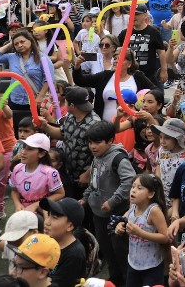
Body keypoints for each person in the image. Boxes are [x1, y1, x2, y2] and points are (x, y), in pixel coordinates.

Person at [83, 121, 134, 286]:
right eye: (90, 142)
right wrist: (85, 198)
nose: (93, 146)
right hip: (99, 214)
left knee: (121, 252)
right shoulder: (97, 157)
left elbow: (130, 181)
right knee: (107, 251)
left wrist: (113, 201)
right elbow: (93, 182)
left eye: (97, 142)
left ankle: (127, 281)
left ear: (110, 140)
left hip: (117, 214)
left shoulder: (118, 158)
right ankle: (115, 279)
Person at [39, 197, 87, 287]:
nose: (46, 222)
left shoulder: (75, 254)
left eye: (55, 217)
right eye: (48, 214)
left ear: (70, 226)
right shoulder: (50, 241)